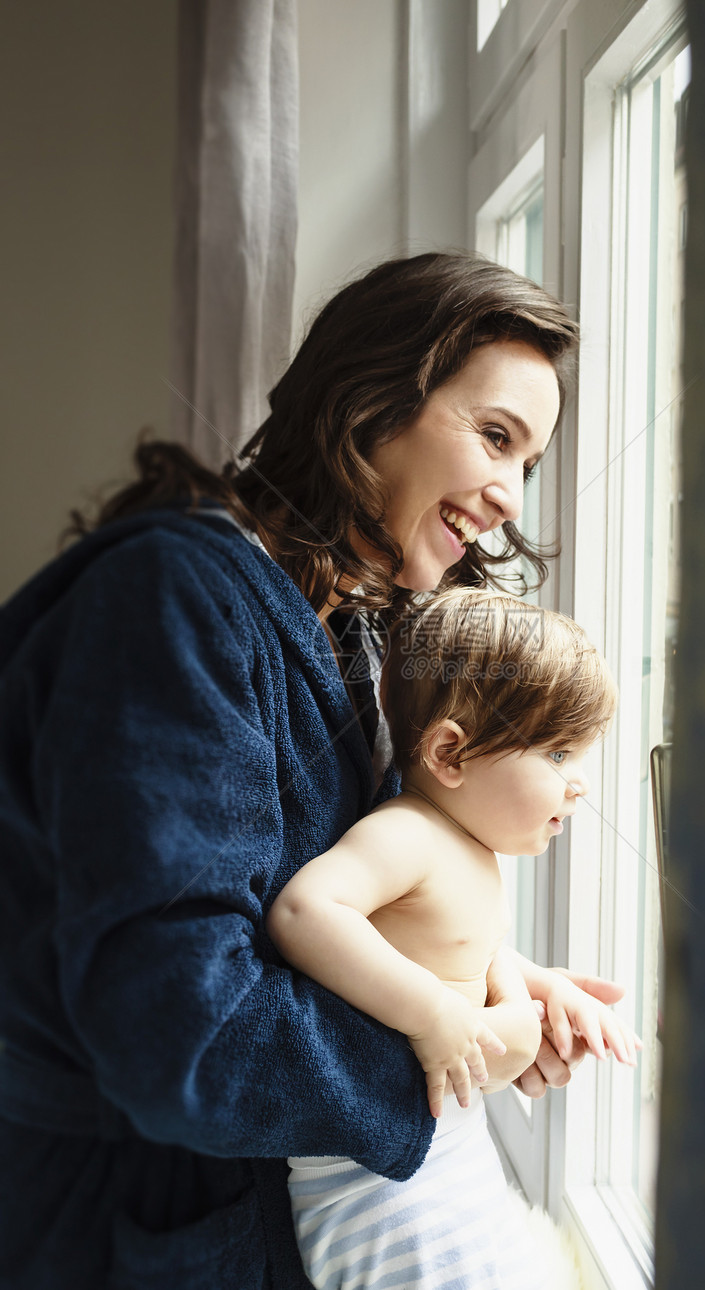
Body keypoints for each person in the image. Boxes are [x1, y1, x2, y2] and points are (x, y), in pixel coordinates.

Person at [0, 251, 621, 1290]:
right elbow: (182, 1036)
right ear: (371, 397)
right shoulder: (173, 604)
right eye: (495, 436)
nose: (510, 496)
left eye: (531, 462)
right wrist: (456, 1048)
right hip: (108, 1228)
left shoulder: (356, 636)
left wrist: (485, 980)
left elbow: (352, 913)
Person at [267, 587, 640, 1289]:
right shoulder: (407, 834)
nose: (580, 784)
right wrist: (436, 1015)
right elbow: (304, 912)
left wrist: (543, 986)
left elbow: (454, 947)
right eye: (559, 754)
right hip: (379, 1187)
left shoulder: (463, 845)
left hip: (443, 1157)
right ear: (451, 754)